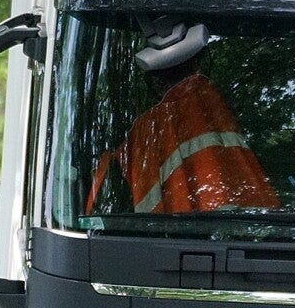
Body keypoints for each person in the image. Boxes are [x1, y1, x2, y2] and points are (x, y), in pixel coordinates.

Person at [85, 16, 279, 217]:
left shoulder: (142, 133)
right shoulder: (220, 109)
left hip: (159, 233)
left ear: (156, 83)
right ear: (198, 66)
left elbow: (100, 207)